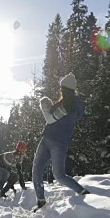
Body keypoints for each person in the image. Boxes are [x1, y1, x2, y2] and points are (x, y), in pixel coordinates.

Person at [32, 73, 89, 210]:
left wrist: (44, 105)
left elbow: (50, 119)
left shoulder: (71, 105)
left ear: (66, 89)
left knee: (59, 174)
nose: (60, 90)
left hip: (58, 143)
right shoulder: (64, 102)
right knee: (36, 170)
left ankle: (82, 191)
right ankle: (40, 199)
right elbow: (52, 118)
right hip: (46, 139)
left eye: (61, 87)